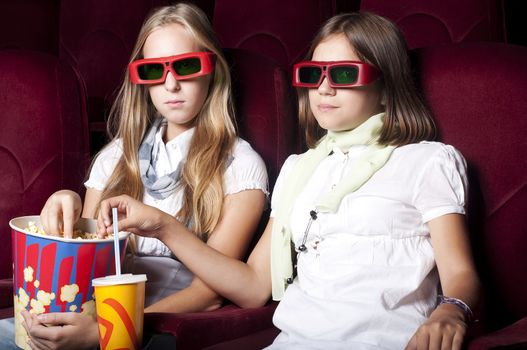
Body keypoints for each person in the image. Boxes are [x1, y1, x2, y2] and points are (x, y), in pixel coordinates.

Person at [96, 12, 480, 350]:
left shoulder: (426, 160)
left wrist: (453, 310)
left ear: (386, 89)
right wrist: (164, 226)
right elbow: (253, 288)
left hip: (384, 340)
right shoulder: (300, 170)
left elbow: (461, 274)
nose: (324, 89)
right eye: (313, 75)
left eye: (345, 74)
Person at [18, 3, 268, 350]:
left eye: (186, 66)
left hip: (160, 328)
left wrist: (108, 330)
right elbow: (90, 261)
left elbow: (208, 295)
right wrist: (70, 205)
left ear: (213, 70)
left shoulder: (240, 165)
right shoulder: (115, 157)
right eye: (153, 70)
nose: (171, 83)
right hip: (90, 314)